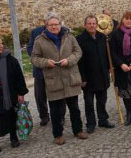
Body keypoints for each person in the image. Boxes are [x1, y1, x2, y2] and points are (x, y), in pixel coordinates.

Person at [31, 14, 88, 145]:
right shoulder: (39, 40)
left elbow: (78, 52)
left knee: (74, 107)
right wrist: (46, 62)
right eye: (51, 25)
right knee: (55, 110)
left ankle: (78, 130)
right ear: (46, 26)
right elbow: (34, 58)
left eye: (56, 24)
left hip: (70, 77)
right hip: (53, 79)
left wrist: (69, 60)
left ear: (60, 24)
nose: (54, 27)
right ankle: (58, 135)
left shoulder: (70, 37)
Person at [0, 35, 28, 154]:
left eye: (2, 43)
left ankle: (13, 137)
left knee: (10, 115)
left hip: (9, 95)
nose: (1, 46)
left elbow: (19, 77)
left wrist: (21, 93)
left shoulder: (10, 60)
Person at [76, 15, 115, 134]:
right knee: (89, 102)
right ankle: (91, 123)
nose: (92, 25)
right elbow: (78, 61)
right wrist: (82, 78)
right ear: (85, 25)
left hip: (102, 75)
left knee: (102, 100)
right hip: (88, 77)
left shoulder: (102, 37)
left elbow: (107, 55)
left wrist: (110, 70)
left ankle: (103, 120)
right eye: (89, 23)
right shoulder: (79, 39)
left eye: (94, 23)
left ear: (97, 25)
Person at [27, 12, 52, 126]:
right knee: (40, 95)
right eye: (49, 22)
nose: (52, 25)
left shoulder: (60, 31)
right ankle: (44, 116)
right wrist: (42, 60)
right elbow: (30, 49)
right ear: (45, 22)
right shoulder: (36, 32)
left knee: (56, 94)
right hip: (40, 70)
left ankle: (59, 115)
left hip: (55, 69)